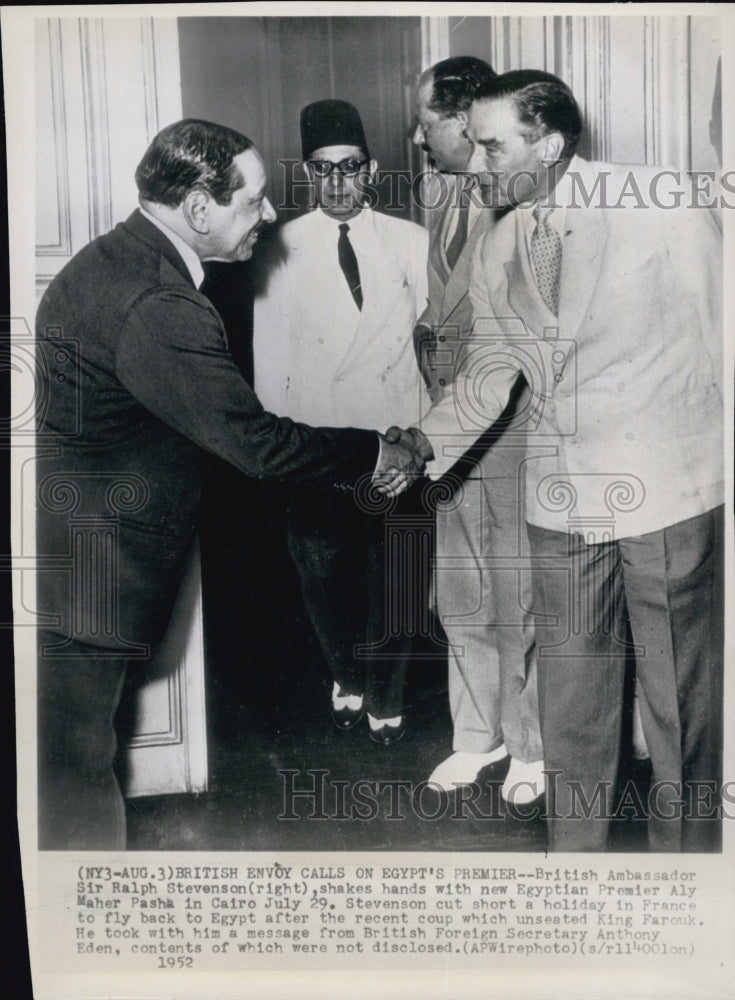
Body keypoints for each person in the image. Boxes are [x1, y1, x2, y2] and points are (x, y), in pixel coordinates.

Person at [35, 119, 424, 850]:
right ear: (200, 209)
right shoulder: (160, 303)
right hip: (93, 570)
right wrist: (376, 449)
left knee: (67, 761)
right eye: (254, 202)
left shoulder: (113, 259)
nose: (270, 216)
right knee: (73, 778)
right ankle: (74, 935)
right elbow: (254, 443)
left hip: (71, 555)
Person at [404, 70, 723, 851]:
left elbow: (726, 332)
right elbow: (490, 370)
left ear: (546, 144)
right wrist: (412, 449)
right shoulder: (503, 239)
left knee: (675, 704)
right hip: (559, 503)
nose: (474, 165)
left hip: (668, 490)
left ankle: (687, 879)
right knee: (570, 708)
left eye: (490, 146)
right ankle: (576, 873)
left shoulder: (660, 203)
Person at [254, 100, 429, 744]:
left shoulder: (411, 241)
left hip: (397, 441)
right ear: (307, 175)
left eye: (349, 168)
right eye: (322, 171)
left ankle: (387, 693)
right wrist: (282, 458)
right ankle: (346, 676)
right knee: (324, 573)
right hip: (321, 444)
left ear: (371, 170)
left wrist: (419, 437)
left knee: (398, 578)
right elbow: (270, 364)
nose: (336, 183)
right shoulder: (278, 247)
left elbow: (432, 351)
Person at [412, 57, 544, 802]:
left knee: (518, 593)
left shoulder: (520, 204)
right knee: (457, 590)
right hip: (450, 423)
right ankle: (477, 735)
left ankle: (530, 748)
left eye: (425, 119)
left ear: (461, 120)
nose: (418, 135)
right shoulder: (439, 191)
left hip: (513, 427)